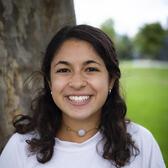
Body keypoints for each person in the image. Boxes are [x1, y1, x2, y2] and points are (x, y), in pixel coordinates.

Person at [0, 25, 166, 168]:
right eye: (64, 70)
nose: (77, 83)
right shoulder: (20, 148)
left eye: (91, 69)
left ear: (110, 81)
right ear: (50, 83)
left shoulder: (141, 142)